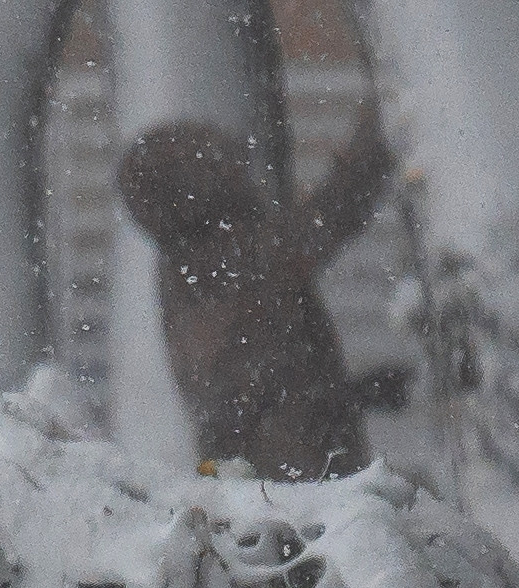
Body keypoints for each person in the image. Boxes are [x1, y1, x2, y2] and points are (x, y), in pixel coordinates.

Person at [119, 117, 396, 479]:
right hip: (289, 471)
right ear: (197, 185)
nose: (240, 165)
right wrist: (380, 129)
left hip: (269, 460)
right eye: (219, 160)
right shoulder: (223, 253)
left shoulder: (187, 262)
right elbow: (330, 218)